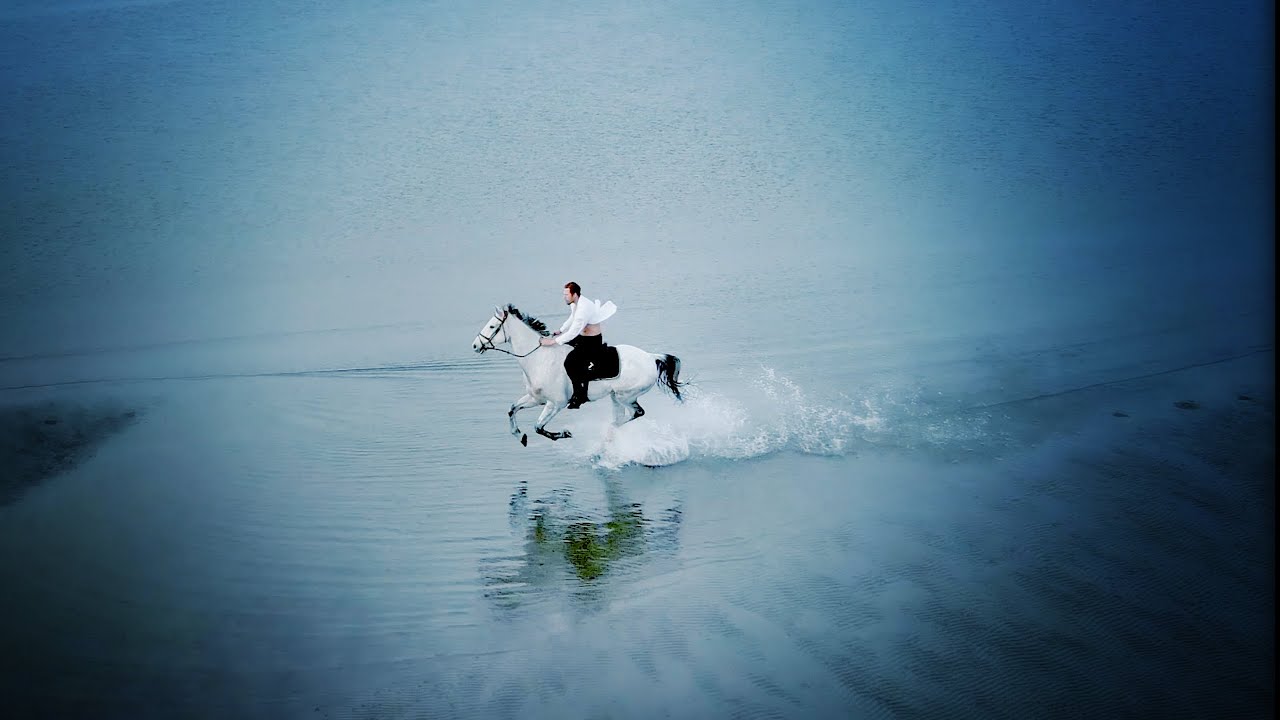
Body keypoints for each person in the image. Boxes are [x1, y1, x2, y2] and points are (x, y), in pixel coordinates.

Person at [540, 281, 617, 408]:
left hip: (591, 342)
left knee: (570, 363)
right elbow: (572, 317)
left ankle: (579, 395)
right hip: (582, 337)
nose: (564, 297)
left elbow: (573, 332)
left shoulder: (583, 309)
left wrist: (552, 341)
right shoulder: (576, 303)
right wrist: (561, 330)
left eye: (566, 294)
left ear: (574, 294)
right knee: (561, 347)